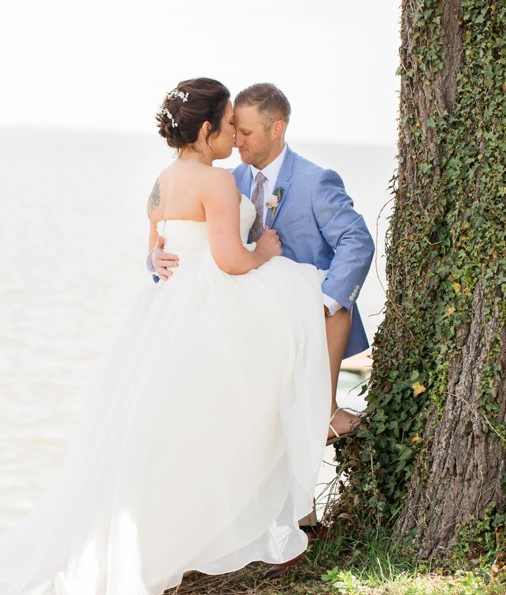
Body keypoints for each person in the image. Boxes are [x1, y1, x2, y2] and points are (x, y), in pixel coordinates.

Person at [0, 78, 331, 595]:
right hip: (207, 307)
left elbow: (155, 247)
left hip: (164, 313)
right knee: (268, 348)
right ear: (206, 131)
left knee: (160, 428)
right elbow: (230, 261)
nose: (234, 133)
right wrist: (266, 253)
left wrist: (155, 255)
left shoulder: (161, 183)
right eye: (228, 124)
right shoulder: (214, 184)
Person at [150, 83, 376, 445]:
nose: (237, 140)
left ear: (277, 129)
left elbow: (357, 241)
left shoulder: (315, 181)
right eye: (234, 129)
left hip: (301, 330)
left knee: (295, 450)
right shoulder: (225, 179)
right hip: (243, 335)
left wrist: (327, 303)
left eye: (247, 133)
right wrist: (154, 259)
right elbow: (188, 239)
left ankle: (326, 414)